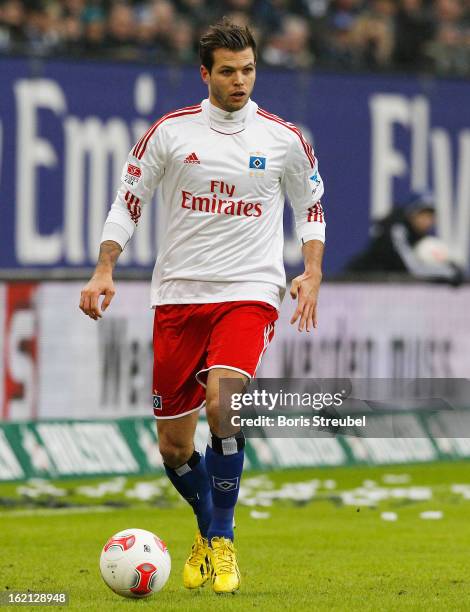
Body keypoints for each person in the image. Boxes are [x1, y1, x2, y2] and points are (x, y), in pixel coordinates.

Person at [79, 18, 325, 595]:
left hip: (249, 292)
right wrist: (105, 266)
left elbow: (310, 204)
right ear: (205, 73)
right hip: (178, 297)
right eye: (228, 71)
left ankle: (223, 541)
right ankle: (210, 526)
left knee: (223, 400)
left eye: (248, 70)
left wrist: (311, 272)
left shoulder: (282, 138)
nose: (240, 82)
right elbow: (129, 200)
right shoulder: (170, 132)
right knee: (174, 445)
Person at [346, 191, 462, 284]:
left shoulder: (420, 237)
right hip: (357, 281)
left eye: (430, 216)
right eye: (422, 214)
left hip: (381, 286)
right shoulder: (396, 229)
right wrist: (447, 272)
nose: (427, 221)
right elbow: (413, 269)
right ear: (411, 214)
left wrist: (448, 266)